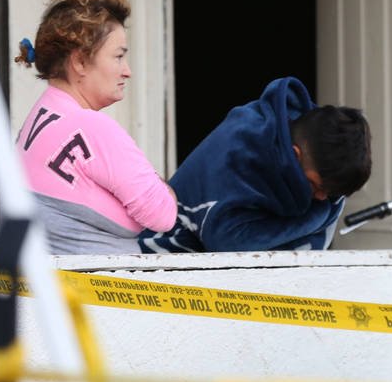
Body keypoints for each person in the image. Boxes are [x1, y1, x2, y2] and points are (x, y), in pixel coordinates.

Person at [14, 0, 177, 255]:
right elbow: (163, 214)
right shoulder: (89, 128)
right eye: (118, 57)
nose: (127, 71)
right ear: (79, 62)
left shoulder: (35, 122)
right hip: (92, 293)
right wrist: (164, 187)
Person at [140, 76, 371, 253]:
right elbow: (224, 241)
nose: (322, 199)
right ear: (295, 154)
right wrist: (318, 217)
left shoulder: (327, 187)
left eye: (330, 193)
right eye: (316, 185)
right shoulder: (240, 143)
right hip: (162, 259)